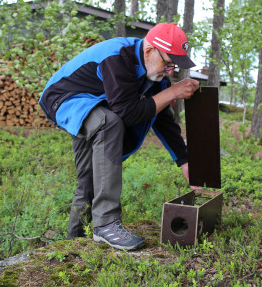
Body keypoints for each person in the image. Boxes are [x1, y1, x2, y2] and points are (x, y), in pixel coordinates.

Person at [39, 23, 200, 250]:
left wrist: (184, 161)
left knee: (89, 179)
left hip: (94, 104)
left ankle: (74, 243)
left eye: (174, 66)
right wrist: (172, 92)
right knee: (109, 122)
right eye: (168, 63)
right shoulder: (117, 56)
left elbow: (163, 120)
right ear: (149, 51)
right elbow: (127, 112)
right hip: (63, 98)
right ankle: (106, 222)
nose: (171, 71)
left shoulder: (156, 77)